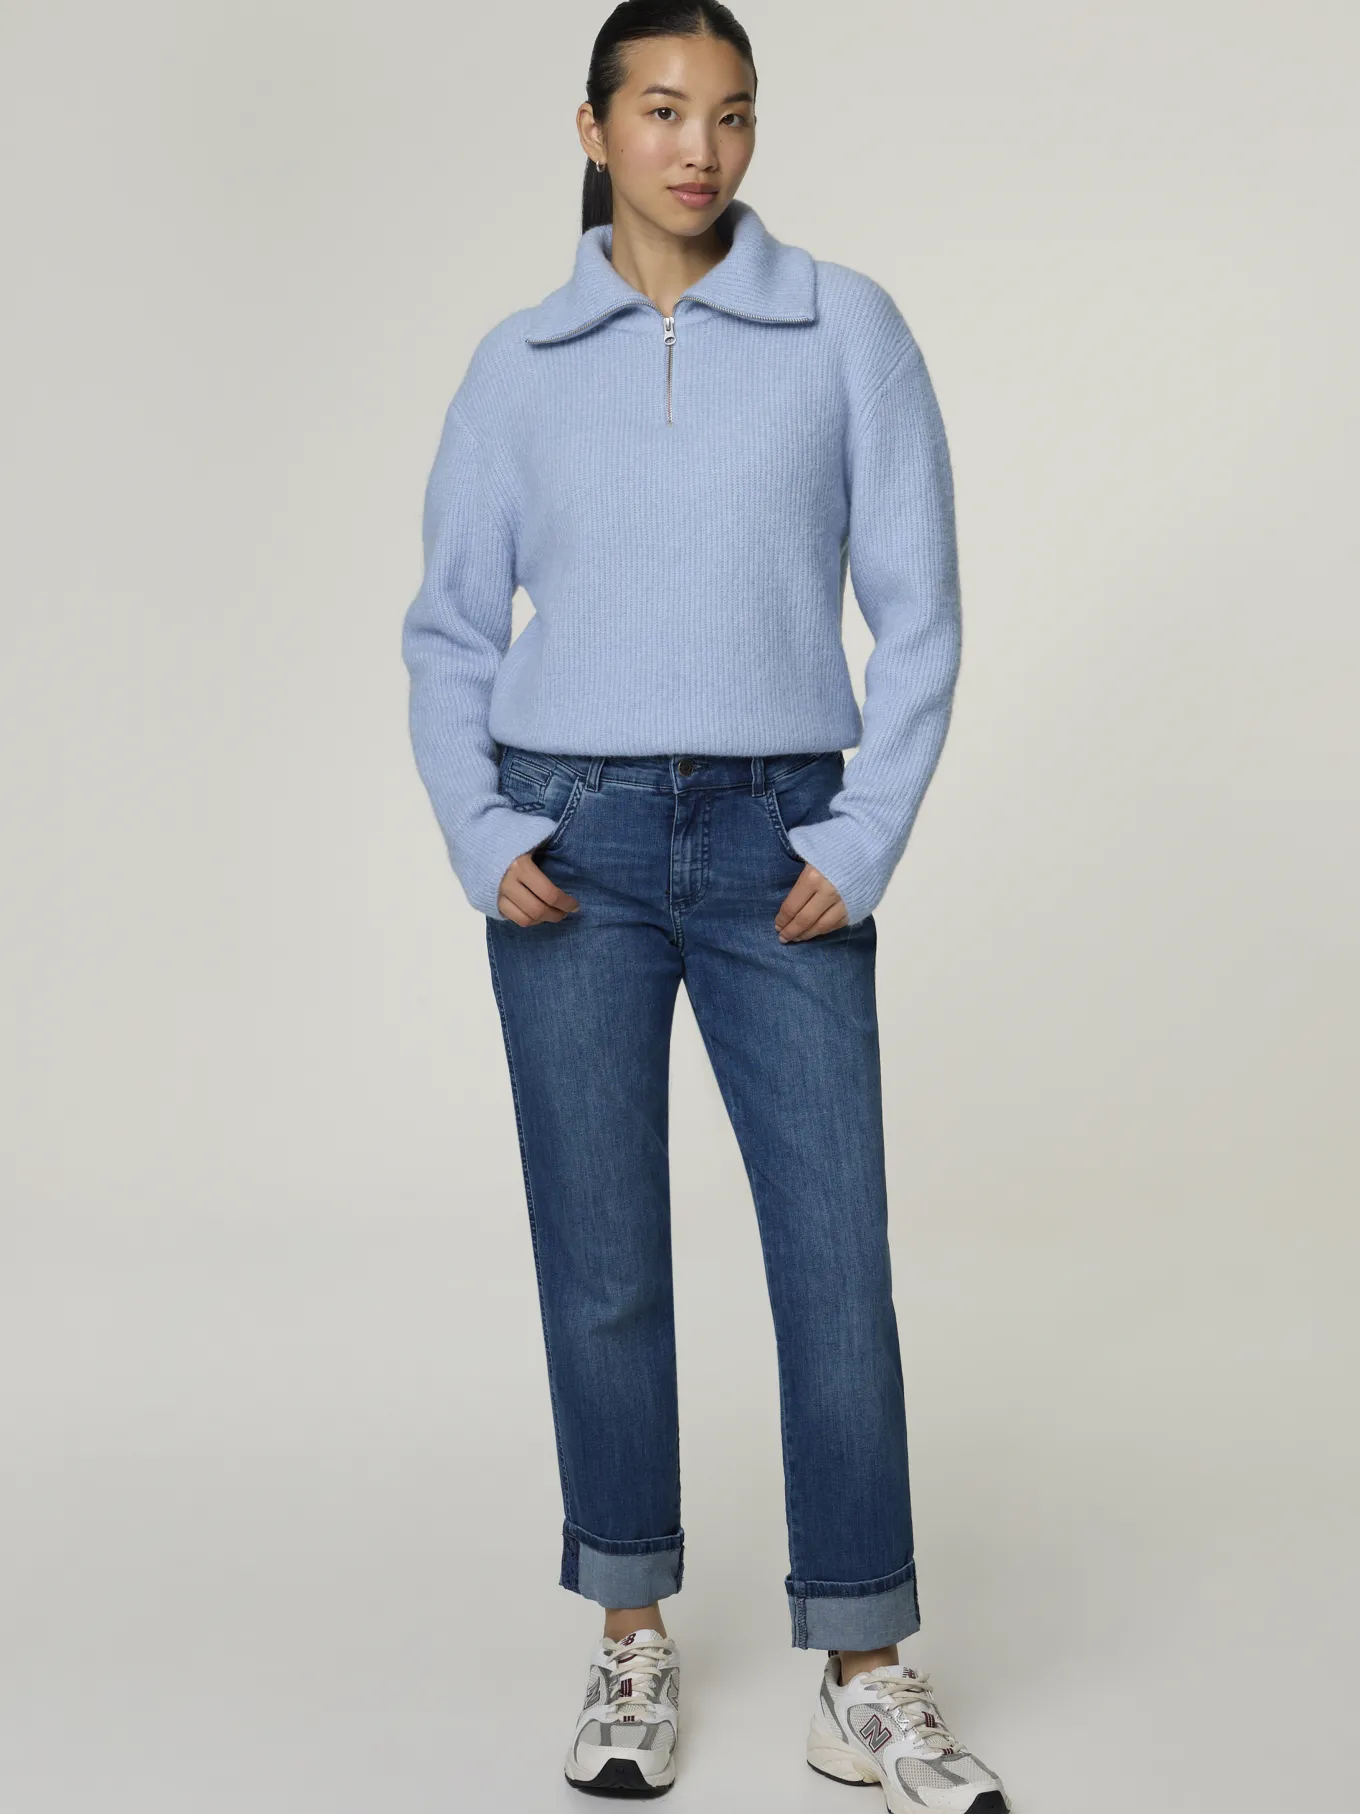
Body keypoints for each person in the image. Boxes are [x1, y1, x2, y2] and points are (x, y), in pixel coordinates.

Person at [401, 4, 1010, 1807]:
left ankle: (865, 1669)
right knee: (601, 1267)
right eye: (664, 110)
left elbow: (923, 610)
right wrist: (479, 825)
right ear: (592, 127)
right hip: (570, 849)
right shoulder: (519, 363)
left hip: (780, 844)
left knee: (834, 1257)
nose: (701, 148)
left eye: (732, 115)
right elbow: (449, 627)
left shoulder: (845, 329)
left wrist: (866, 833)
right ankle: (630, 1638)